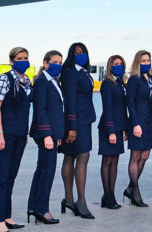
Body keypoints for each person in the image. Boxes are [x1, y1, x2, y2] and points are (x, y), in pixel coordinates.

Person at [0, 47, 33, 232]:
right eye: (19, 58)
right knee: (1, 178)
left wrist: (24, 135)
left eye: (25, 58)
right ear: (11, 61)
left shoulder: (26, 82)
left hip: (19, 135)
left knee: (11, 176)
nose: (23, 61)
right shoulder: (4, 79)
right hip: (5, 135)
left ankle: (6, 215)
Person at [60, 42, 96, 219]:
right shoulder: (70, 73)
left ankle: (69, 199)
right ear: (71, 55)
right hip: (77, 122)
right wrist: (72, 127)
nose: (81, 55)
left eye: (83, 52)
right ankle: (80, 202)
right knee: (81, 157)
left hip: (85, 120)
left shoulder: (83, 72)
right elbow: (70, 101)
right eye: (77, 53)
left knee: (71, 156)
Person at [27, 50, 64, 224]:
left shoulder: (54, 81)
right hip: (45, 134)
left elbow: (57, 110)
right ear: (46, 63)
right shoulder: (42, 82)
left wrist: (56, 134)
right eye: (55, 61)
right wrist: (47, 135)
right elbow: (40, 110)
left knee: (42, 169)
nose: (58, 64)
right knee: (47, 171)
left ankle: (33, 207)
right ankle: (42, 209)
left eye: (60, 62)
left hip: (51, 133)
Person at [124, 50, 152, 207]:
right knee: (135, 156)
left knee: (145, 155)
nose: (146, 63)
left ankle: (130, 188)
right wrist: (135, 124)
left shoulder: (150, 78)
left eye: (148, 60)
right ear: (137, 62)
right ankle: (135, 192)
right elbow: (130, 102)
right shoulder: (134, 79)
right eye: (143, 61)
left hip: (150, 121)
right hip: (138, 121)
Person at [98, 55, 128, 209]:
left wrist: (124, 129)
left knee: (115, 161)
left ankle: (110, 195)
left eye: (121, 63)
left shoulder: (121, 83)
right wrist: (110, 131)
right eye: (116, 64)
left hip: (118, 127)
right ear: (110, 66)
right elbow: (107, 108)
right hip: (108, 127)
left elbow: (123, 109)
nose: (119, 66)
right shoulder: (107, 84)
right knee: (107, 161)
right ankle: (108, 196)